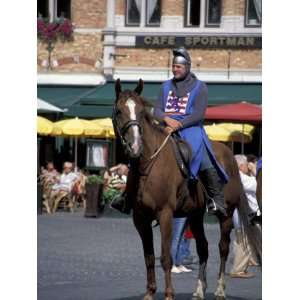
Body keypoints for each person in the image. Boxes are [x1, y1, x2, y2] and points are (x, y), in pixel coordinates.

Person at [111, 47, 229, 216]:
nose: (175, 69)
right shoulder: (166, 86)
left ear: (187, 67)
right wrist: (166, 119)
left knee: (200, 156)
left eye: (178, 67)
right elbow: (157, 110)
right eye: (173, 66)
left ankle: (215, 198)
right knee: (141, 153)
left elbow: (199, 113)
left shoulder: (200, 87)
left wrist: (179, 124)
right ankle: (127, 197)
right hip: (166, 127)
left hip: (191, 129)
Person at [230, 154, 260, 278]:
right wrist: (255, 171)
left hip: (242, 215)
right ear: (241, 166)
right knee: (244, 242)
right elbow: (258, 186)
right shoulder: (241, 177)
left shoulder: (235, 176)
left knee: (242, 241)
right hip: (247, 215)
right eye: (246, 165)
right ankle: (238, 269)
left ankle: (244, 265)